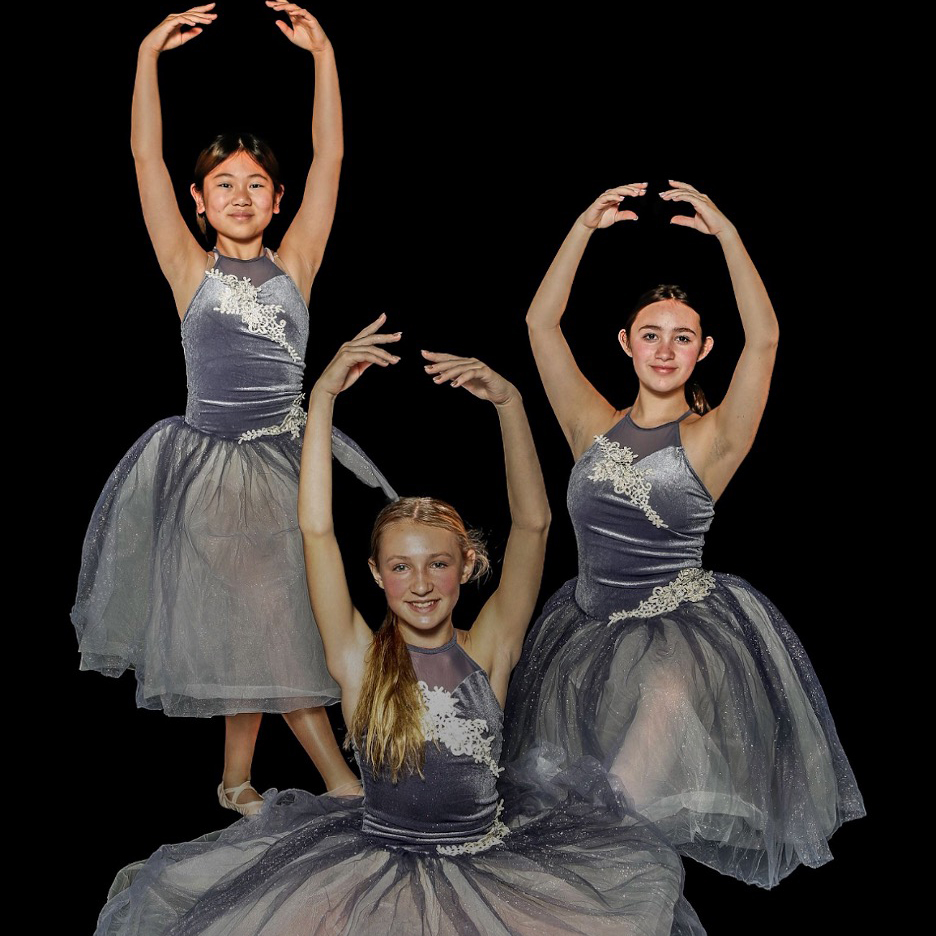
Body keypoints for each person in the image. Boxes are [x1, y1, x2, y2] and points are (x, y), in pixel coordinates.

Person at [93, 316, 705, 936]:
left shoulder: (490, 648)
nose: (419, 584)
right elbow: (315, 528)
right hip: (370, 868)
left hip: (488, 869)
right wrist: (323, 397)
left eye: (438, 564)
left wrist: (510, 405)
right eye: (401, 567)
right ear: (376, 573)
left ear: (466, 566)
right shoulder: (356, 657)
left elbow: (534, 526)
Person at [71, 3, 395, 816]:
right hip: (210, 468)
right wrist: (147, 54)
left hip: (290, 462)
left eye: (256, 183)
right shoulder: (189, 268)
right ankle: (334, 779)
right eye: (225, 184)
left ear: (278, 201)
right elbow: (143, 153)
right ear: (200, 201)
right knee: (267, 614)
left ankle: (236, 781)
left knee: (272, 614)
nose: (242, 194)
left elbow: (333, 156)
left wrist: (323, 54)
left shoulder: (298, 264)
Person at [503, 180, 865, 888]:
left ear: (703, 351)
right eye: (651, 334)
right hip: (582, 638)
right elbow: (539, 326)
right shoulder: (591, 423)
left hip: (678, 643)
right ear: (625, 342)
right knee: (569, 821)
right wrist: (581, 226)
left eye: (682, 338)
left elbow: (766, 338)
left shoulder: (713, 440)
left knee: (620, 816)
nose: (665, 350)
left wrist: (728, 235)